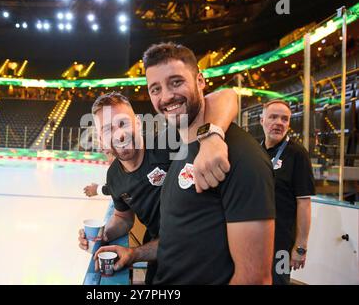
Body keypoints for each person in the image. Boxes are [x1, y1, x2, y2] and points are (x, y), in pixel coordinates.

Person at [95, 42, 276, 285]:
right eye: (155, 89)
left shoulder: (240, 156)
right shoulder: (182, 149)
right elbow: (176, 242)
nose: (167, 96)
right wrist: (133, 253)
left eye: (176, 82)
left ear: (200, 81)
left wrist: (213, 137)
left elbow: (253, 279)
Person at [79, 87, 238, 284]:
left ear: (137, 123)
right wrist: (103, 235)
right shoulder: (114, 176)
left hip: (206, 250)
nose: (119, 134)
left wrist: (211, 138)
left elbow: (227, 96)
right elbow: (123, 217)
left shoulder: (168, 142)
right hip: (161, 250)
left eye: (123, 123)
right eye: (107, 129)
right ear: (101, 139)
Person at [260, 99, 315, 285]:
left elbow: (304, 203)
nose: (279, 123)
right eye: (273, 117)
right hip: (253, 237)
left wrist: (300, 247)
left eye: (284, 119)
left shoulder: (298, 154)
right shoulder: (255, 151)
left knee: (279, 281)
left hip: (282, 243)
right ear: (262, 121)